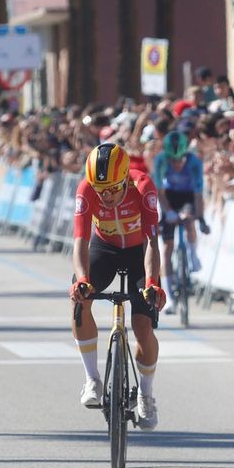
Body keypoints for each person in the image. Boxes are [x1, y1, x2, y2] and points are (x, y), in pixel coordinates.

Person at [69, 142, 167, 430]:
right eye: (101, 190)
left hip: (139, 252)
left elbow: (152, 242)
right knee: (79, 302)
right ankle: (92, 379)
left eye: (113, 189)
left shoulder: (143, 187)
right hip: (105, 249)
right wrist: (83, 280)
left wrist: (152, 283)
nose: (107, 196)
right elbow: (80, 241)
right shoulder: (86, 189)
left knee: (142, 326)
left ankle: (146, 394)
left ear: (124, 178)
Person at [152, 129, 210, 289]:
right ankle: (168, 291)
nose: (176, 164)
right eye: (172, 160)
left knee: (189, 219)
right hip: (168, 196)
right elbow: (159, 191)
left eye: (180, 160)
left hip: (188, 195)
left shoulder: (195, 162)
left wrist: (201, 219)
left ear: (186, 154)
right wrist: (168, 212)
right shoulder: (160, 160)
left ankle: (193, 254)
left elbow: (198, 195)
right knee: (167, 247)